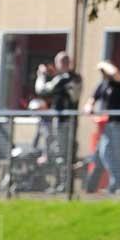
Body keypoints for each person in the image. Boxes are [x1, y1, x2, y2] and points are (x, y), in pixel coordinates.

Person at [35, 51, 82, 191]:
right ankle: (61, 184)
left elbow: (42, 90)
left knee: (62, 153)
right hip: (68, 120)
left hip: (64, 121)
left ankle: (63, 185)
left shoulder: (65, 78)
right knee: (62, 152)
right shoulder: (74, 77)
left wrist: (41, 75)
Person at [84, 60, 120, 193]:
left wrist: (103, 64)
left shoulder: (119, 82)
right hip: (107, 125)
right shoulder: (102, 85)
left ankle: (119, 185)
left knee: (118, 155)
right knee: (104, 153)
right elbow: (92, 99)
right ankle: (115, 184)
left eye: (104, 70)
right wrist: (89, 107)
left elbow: (115, 73)